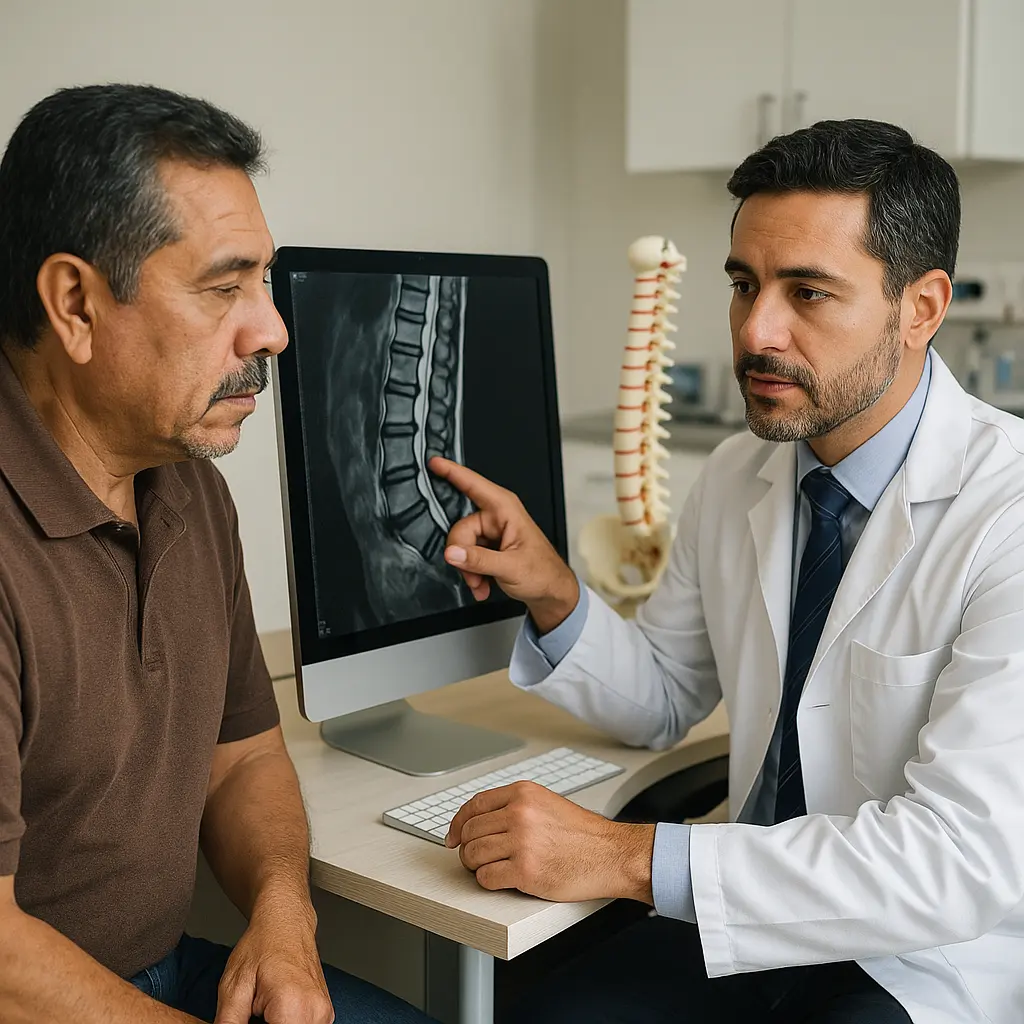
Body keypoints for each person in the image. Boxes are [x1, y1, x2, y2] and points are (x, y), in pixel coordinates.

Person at [431, 120, 1024, 1023]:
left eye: (809, 293)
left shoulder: (1007, 510)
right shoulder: (741, 472)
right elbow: (670, 694)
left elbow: (955, 862)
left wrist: (624, 857)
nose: (758, 331)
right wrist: (555, 592)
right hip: (747, 912)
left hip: (923, 955)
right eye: (744, 285)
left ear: (922, 307)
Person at [0, 84, 434, 1024]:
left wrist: (284, 919)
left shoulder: (187, 483)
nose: (273, 328)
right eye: (224, 286)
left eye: (264, 282)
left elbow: (241, 761)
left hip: (162, 973)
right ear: (74, 304)